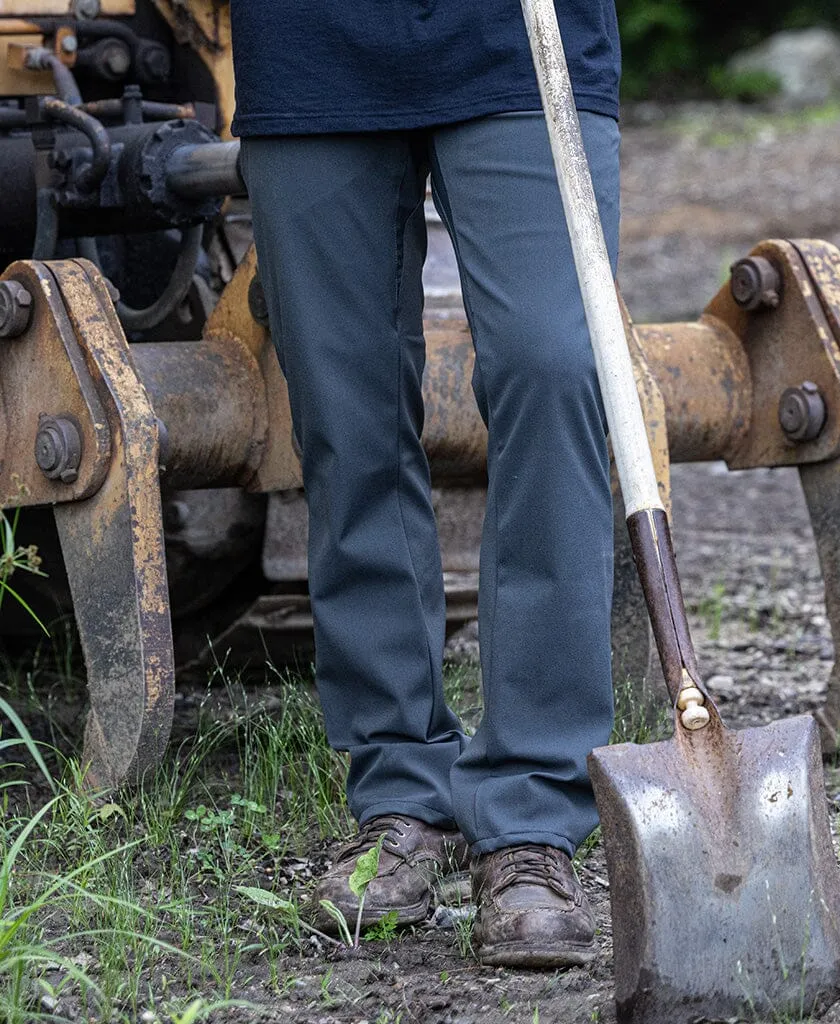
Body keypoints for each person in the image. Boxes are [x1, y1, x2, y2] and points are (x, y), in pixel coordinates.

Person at [229, 1, 621, 968]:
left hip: (519, 41)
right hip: (310, 41)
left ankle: (531, 809)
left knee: (554, 364)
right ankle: (401, 791)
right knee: (345, 408)